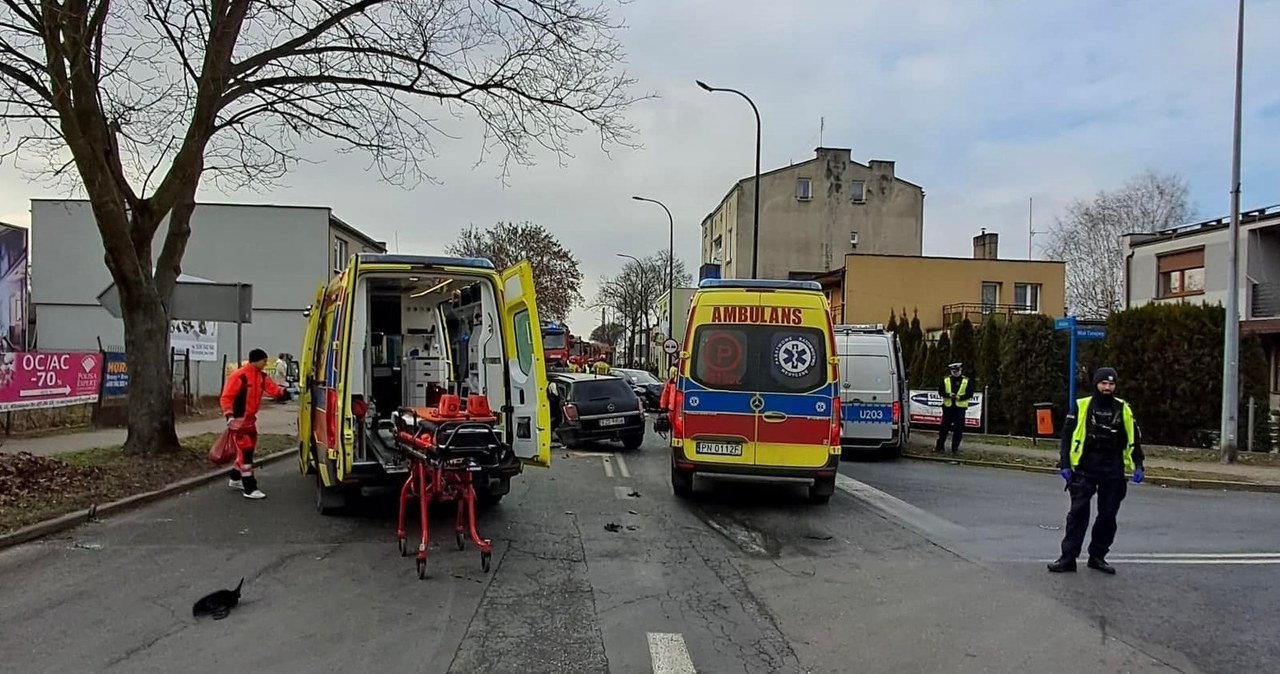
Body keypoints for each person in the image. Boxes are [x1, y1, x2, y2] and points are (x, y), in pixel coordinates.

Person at [1048, 367, 1145, 575]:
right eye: (1103, 383)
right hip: (1085, 467)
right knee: (1078, 514)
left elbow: (1134, 440)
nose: (1107, 387)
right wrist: (1065, 464)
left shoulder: (1123, 409)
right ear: (1096, 384)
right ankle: (1068, 557)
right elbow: (1067, 436)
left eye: (1111, 384)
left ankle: (1098, 556)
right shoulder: (1082, 406)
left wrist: (1139, 464)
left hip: (1113, 469)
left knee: (1108, 516)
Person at [221, 348, 290, 500]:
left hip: (249, 420)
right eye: (264, 361)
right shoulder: (240, 376)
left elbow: (272, 389)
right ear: (256, 360)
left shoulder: (260, 376)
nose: (266, 364)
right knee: (246, 452)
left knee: (248, 449)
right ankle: (250, 487)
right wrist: (229, 416)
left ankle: (235, 478)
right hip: (239, 420)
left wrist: (285, 392)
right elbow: (227, 397)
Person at [935, 362, 970, 454]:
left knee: (958, 429)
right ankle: (940, 447)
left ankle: (955, 448)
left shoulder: (966, 380)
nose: (956, 373)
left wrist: (961, 397)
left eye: (957, 371)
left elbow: (970, 393)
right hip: (948, 407)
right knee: (944, 428)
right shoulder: (945, 379)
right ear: (951, 371)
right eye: (954, 371)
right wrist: (948, 395)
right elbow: (940, 391)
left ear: (961, 370)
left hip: (960, 408)